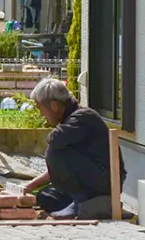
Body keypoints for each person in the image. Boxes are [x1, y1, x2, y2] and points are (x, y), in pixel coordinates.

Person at [22, 78, 121, 219]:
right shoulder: (71, 121)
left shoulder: (83, 117)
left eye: (41, 109)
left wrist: (55, 132)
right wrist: (30, 186)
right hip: (90, 179)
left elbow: (55, 143)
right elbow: (62, 167)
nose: (41, 114)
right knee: (44, 197)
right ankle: (81, 201)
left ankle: (80, 202)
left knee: (54, 151)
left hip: (106, 181)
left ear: (54, 105)